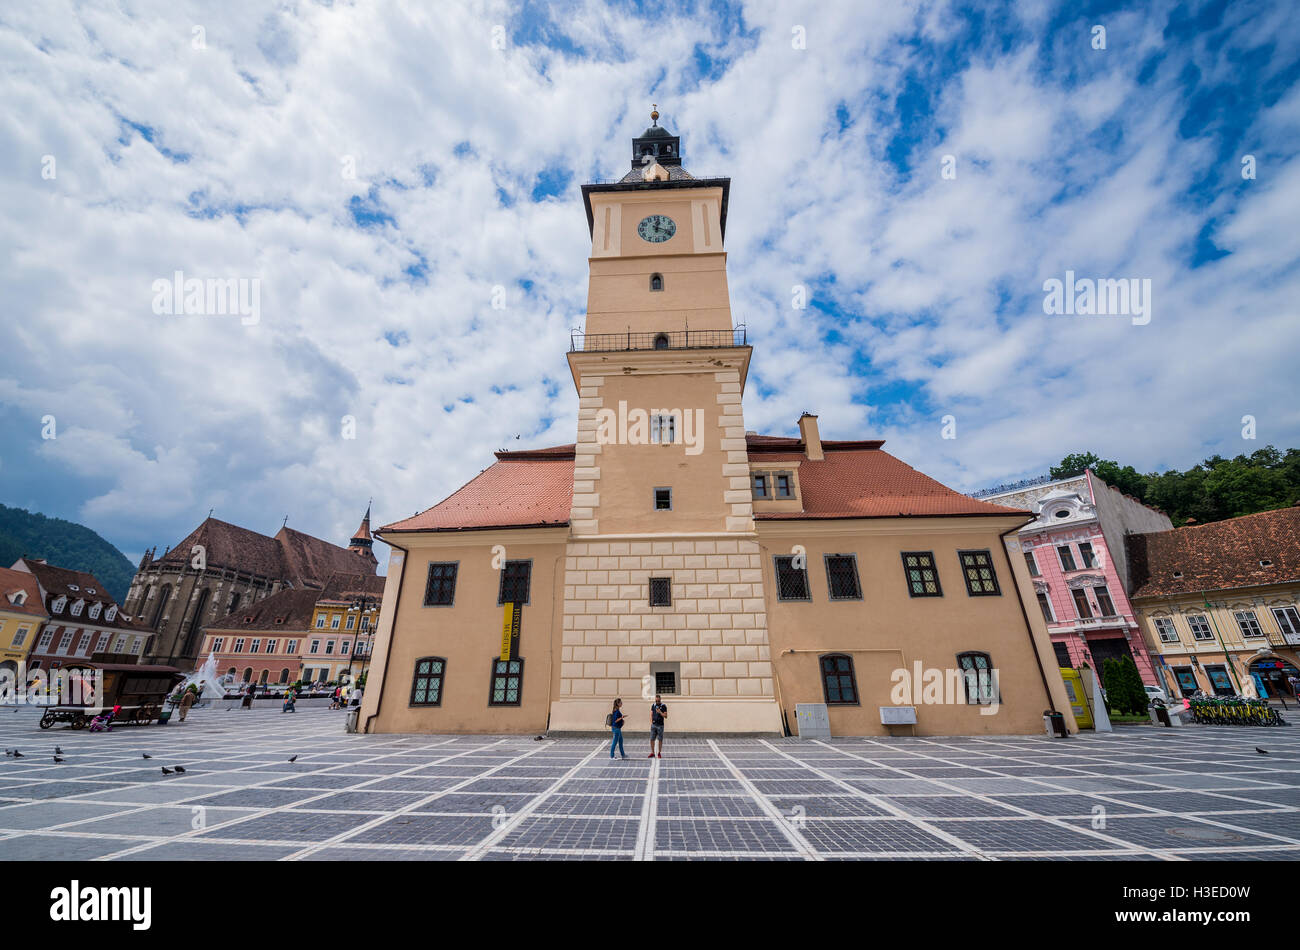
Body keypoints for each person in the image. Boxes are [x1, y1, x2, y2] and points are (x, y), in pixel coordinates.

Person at [648, 694, 668, 758]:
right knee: (651, 739)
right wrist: (651, 722)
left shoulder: (663, 706)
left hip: (660, 726)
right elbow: (651, 714)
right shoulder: (653, 705)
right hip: (654, 725)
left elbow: (666, 716)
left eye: (658, 701)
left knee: (660, 739)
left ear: (660, 700)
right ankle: (652, 753)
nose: (657, 702)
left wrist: (660, 712)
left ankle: (659, 753)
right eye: (656, 701)